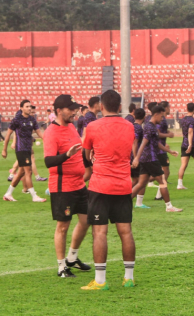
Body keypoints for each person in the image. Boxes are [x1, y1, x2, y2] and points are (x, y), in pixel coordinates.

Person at [81, 90, 136, 290]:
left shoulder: (93, 126)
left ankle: (101, 280)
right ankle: (129, 278)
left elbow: (87, 155)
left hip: (100, 185)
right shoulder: (129, 126)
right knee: (126, 232)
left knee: (99, 233)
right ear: (120, 107)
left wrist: (95, 154)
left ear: (101, 106)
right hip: (123, 184)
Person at [44, 95, 92, 278]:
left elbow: (78, 152)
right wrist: (66, 155)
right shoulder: (51, 132)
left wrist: (89, 162)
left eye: (74, 109)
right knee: (63, 226)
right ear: (58, 111)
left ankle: (72, 257)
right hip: (62, 185)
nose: (74, 112)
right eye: (70, 109)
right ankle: (61, 266)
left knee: (87, 219)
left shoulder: (72, 127)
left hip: (79, 183)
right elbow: (48, 161)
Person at [131, 105, 182, 211]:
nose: (162, 119)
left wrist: (169, 151)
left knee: (141, 183)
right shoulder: (149, 127)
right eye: (162, 116)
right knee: (163, 182)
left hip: (146, 159)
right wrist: (136, 158)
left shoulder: (152, 126)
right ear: (156, 114)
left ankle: (123, 203)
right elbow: (143, 143)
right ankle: (169, 206)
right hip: (150, 158)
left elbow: (156, 143)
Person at [2, 100, 46, 202]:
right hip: (21, 148)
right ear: (21, 108)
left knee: (21, 172)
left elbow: (39, 132)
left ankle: (8, 194)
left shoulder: (32, 119)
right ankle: (34, 196)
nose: (29, 108)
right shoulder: (17, 120)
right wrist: (4, 150)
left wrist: (47, 141)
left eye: (30, 106)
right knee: (28, 171)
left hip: (28, 148)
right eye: (27, 106)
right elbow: (8, 134)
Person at [82, 96, 101, 183]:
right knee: (97, 173)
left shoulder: (91, 116)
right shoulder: (90, 116)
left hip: (87, 147)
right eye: (100, 103)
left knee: (88, 174)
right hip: (88, 148)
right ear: (96, 105)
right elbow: (87, 132)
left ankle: (74, 188)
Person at [130, 108, 145, 188]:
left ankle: (126, 195)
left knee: (136, 180)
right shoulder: (138, 128)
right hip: (134, 157)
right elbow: (135, 142)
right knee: (140, 180)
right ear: (144, 117)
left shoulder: (131, 126)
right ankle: (126, 196)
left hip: (128, 155)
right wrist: (135, 157)